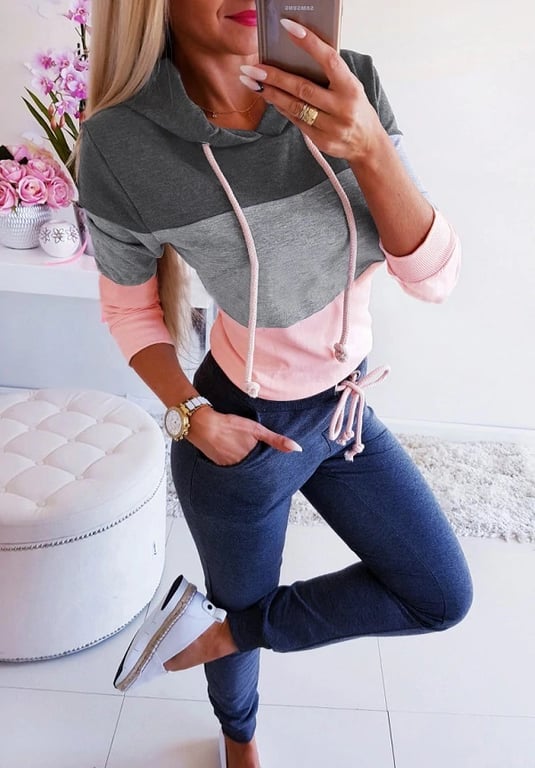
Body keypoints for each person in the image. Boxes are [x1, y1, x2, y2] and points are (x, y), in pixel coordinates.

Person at [77, 2, 473, 766]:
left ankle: (221, 630)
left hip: (345, 411)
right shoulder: (121, 143)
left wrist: (369, 146)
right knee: (240, 589)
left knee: (436, 593)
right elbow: (128, 309)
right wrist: (193, 417)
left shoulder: (346, 84)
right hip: (240, 428)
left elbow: (432, 279)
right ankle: (238, 735)